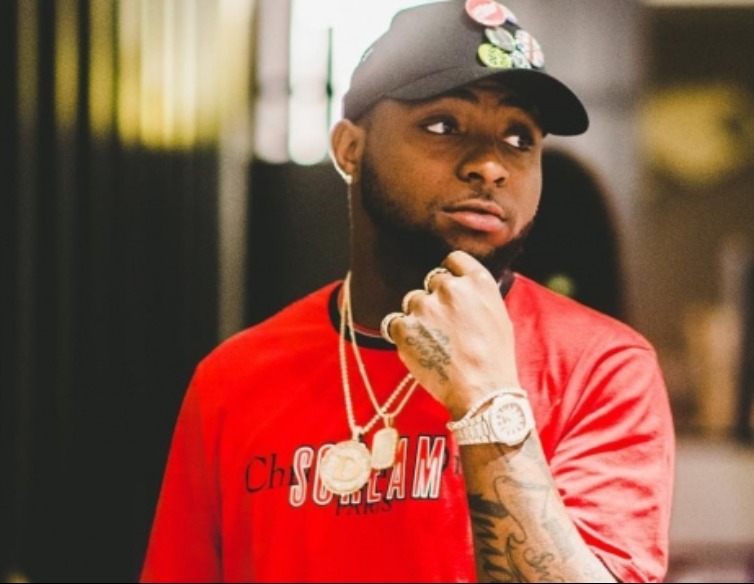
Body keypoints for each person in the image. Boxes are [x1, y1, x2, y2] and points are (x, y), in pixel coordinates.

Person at [140, 1, 675, 582]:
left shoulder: (602, 368)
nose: (491, 166)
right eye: (444, 125)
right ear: (350, 148)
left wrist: (488, 405)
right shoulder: (233, 381)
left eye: (519, 137)